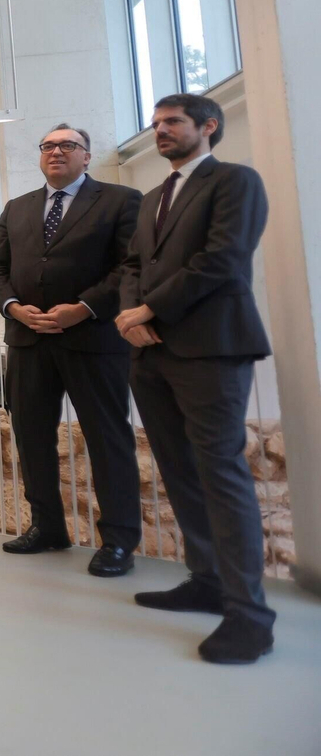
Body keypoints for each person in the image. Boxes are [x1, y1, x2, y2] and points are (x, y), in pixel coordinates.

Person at [116, 94, 275, 665]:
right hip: (151, 353)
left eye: (172, 122)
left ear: (208, 127)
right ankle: (206, 581)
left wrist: (148, 310)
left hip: (212, 347)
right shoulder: (154, 196)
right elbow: (134, 265)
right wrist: (132, 315)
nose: (160, 131)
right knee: (180, 472)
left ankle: (250, 616)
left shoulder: (235, 181)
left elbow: (223, 259)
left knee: (222, 475)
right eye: (155, 123)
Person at [0, 124, 144, 575]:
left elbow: (132, 265)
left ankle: (118, 541)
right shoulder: (17, 209)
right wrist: (13, 307)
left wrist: (86, 307)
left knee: (108, 440)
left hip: (92, 341)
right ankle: (48, 527)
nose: (57, 152)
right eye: (48, 146)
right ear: (40, 156)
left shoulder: (120, 201)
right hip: (28, 340)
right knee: (32, 438)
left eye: (68, 145)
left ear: (87, 156)